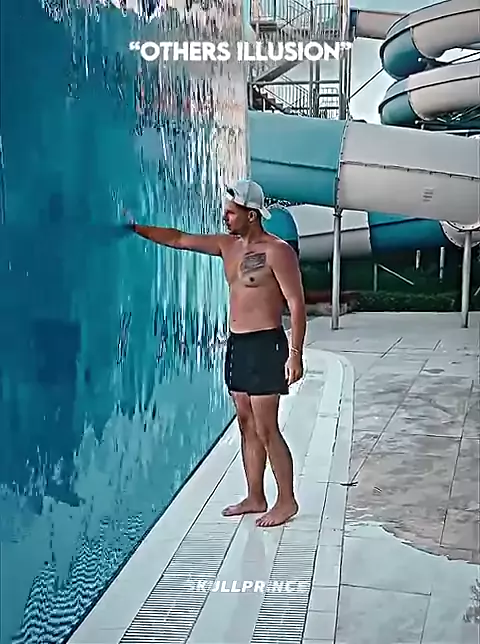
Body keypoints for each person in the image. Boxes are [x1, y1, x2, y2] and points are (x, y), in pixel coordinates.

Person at [125, 179, 307, 527]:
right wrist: (136, 228)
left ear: (251, 215)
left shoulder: (277, 251)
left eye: (231, 212)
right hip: (238, 344)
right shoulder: (227, 246)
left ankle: (287, 501)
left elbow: (296, 304)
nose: (225, 217)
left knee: (267, 427)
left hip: (265, 344)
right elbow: (179, 239)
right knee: (245, 422)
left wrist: (295, 354)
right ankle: (255, 496)